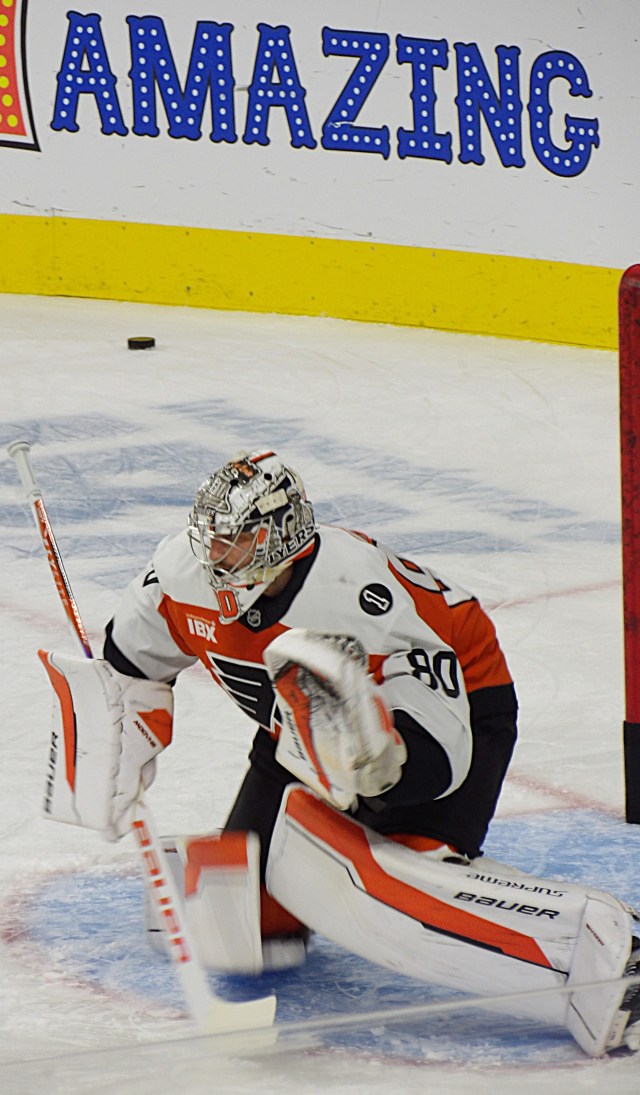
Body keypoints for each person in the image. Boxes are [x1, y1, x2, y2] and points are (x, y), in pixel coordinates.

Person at [39, 448, 639, 1056]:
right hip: (295, 724)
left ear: (280, 538)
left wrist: (378, 768)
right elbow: (129, 667)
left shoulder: (357, 596)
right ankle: (329, 827)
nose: (213, 555)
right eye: (210, 537)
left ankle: (606, 949)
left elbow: (443, 749)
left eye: (234, 541)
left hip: (452, 698)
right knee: (238, 905)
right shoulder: (181, 575)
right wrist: (114, 746)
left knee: (391, 892)